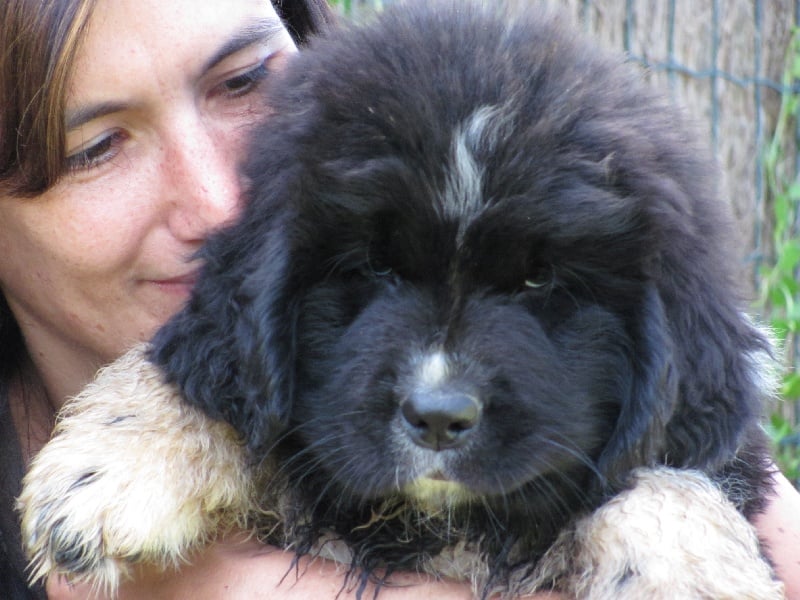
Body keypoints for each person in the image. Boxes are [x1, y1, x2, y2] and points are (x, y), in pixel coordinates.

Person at [0, 1, 797, 599]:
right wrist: (179, 423)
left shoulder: (676, 391)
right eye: (96, 147)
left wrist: (669, 513)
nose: (216, 202)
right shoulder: (235, 340)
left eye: (242, 79)